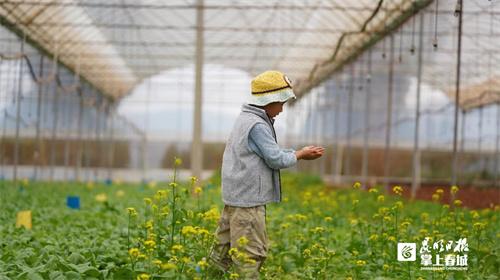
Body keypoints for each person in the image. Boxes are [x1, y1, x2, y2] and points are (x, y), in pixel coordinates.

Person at [208, 70, 324, 279]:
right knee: (250, 256)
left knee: (221, 254)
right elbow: (275, 159)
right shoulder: (258, 125)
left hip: (236, 197)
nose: (281, 109)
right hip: (249, 202)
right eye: (281, 102)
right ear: (269, 100)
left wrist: (295, 153)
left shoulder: (245, 118)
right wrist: (300, 154)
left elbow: (268, 153)